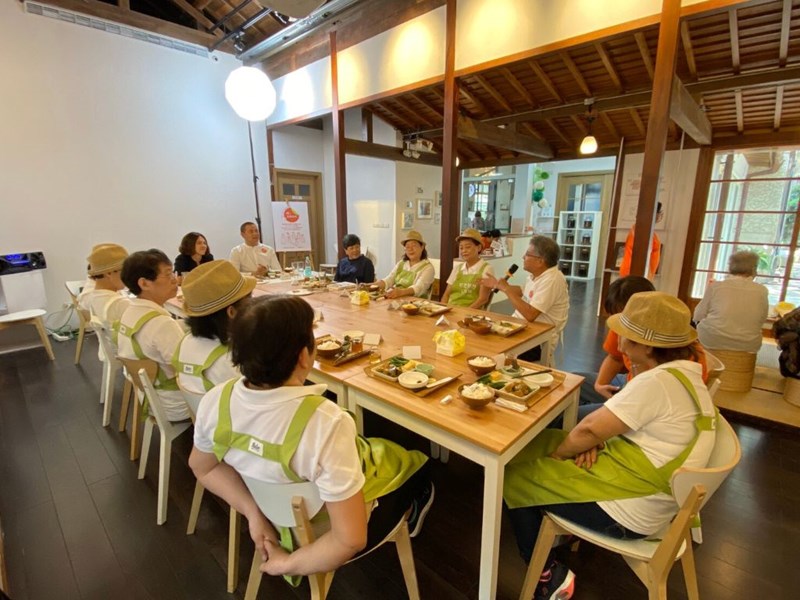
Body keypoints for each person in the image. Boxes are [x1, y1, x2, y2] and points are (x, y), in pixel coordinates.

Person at [189, 295, 433, 579]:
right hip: (321, 535)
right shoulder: (325, 422)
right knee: (418, 465)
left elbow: (201, 466)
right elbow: (350, 539)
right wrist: (287, 564)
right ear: (304, 356)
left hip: (272, 512)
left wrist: (253, 512)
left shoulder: (216, 400)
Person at [503, 292, 716, 599]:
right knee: (548, 438)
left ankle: (547, 576)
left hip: (631, 512)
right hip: (651, 488)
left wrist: (563, 454)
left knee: (513, 478)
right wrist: (592, 439)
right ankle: (549, 530)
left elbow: (589, 428)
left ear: (647, 345)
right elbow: (599, 429)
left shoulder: (656, 383)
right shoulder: (684, 374)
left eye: (626, 334)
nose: (618, 339)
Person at [116, 249, 190, 422]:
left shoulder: (130, 311)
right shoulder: (162, 324)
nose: (175, 279)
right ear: (144, 283)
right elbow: (186, 368)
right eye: (167, 274)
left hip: (151, 398)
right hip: (177, 405)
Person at [482, 235, 569, 365]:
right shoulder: (537, 275)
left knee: (494, 353)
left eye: (527, 254)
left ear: (541, 261)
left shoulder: (552, 280)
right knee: (485, 340)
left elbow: (530, 314)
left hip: (538, 338)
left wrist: (506, 289)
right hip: (522, 327)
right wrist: (498, 285)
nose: (523, 257)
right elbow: (523, 290)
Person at [172, 260, 255, 396]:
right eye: (249, 299)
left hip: (199, 414)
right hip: (231, 416)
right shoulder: (228, 361)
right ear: (232, 312)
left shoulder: (186, 340)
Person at [693, 250, 768, 353]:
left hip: (712, 339)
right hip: (748, 343)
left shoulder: (716, 287)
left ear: (730, 268)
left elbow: (698, 315)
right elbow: (762, 318)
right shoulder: (762, 290)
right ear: (753, 269)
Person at [78, 243, 131, 330]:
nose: (129, 275)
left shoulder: (94, 298)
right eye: (125, 270)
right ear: (109, 273)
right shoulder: (120, 304)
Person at [440, 228, 494, 309]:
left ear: (479, 248)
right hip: (450, 310)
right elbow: (446, 294)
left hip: (471, 315)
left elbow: (483, 299)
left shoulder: (486, 269)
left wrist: (464, 312)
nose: (464, 251)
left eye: (468, 247)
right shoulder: (457, 268)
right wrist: (441, 309)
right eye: (461, 248)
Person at [376, 230, 435, 299]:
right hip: (397, 301)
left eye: (414, 245)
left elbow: (419, 288)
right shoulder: (401, 264)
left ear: (422, 247)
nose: (410, 249)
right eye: (407, 246)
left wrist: (400, 292)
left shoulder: (428, 268)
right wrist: (369, 285)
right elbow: (389, 280)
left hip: (416, 305)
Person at [619, 202, 663, 280]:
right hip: (634, 274)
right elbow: (643, 255)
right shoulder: (641, 231)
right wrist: (647, 278)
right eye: (659, 213)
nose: (660, 216)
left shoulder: (646, 230)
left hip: (639, 274)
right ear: (654, 215)